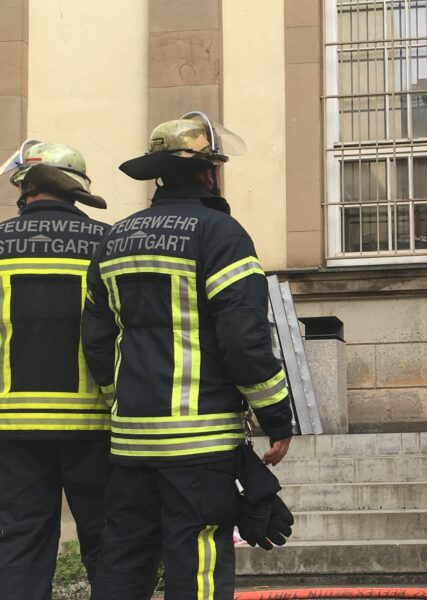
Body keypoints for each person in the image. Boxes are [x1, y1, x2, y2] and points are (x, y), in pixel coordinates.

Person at [82, 112, 295, 599]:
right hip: (198, 445)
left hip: (131, 441)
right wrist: (276, 419)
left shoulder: (115, 239)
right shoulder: (222, 234)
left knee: (124, 557)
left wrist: (123, 397)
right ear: (209, 172)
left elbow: (96, 339)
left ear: (158, 175)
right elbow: (243, 339)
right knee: (196, 559)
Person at [0, 141, 110, 600]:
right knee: (109, 543)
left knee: (20, 544)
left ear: (26, 188)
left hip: (13, 426)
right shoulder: (108, 242)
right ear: (79, 193)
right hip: (95, 422)